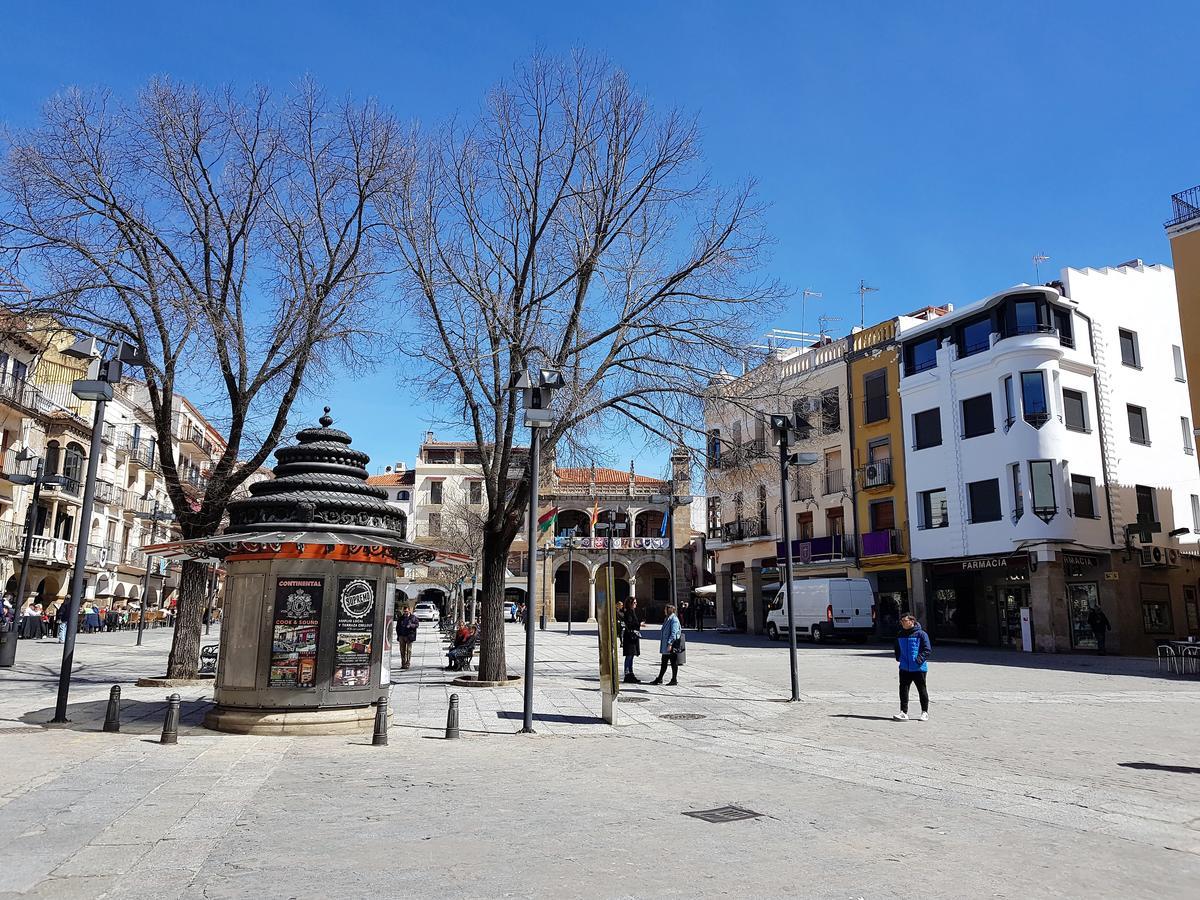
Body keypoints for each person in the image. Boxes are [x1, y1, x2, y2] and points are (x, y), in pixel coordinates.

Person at [893, 613, 931, 721]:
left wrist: (918, 660)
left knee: (922, 689)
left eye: (904, 620)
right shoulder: (900, 634)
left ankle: (924, 712)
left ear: (912, 621)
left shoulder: (921, 634)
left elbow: (927, 650)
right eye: (901, 621)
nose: (903, 623)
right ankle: (903, 712)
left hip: (919, 668)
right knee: (903, 690)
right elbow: (897, 647)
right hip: (904, 667)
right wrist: (899, 657)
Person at [651, 603, 682, 686]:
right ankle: (660, 678)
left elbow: (674, 633)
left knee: (673, 662)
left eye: (665, 609)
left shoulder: (674, 619)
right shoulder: (667, 619)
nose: (664, 611)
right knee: (664, 662)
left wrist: (670, 643)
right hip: (666, 645)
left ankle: (673, 679)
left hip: (671, 645)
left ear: (669, 610)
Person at [622, 598, 642, 683]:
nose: (636, 604)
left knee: (631, 656)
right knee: (629, 656)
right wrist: (639, 624)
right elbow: (630, 624)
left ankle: (630, 673)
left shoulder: (632, 611)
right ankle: (627, 674)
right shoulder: (629, 612)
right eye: (634, 602)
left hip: (632, 638)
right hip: (630, 638)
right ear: (630, 603)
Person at [396, 605, 420, 670]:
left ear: (409, 610)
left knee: (408, 650)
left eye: (406, 611)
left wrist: (411, 625)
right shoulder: (400, 618)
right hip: (402, 636)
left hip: (409, 636)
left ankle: (408, 663)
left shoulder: (413, 617)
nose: (405, 613)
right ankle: (403, 664)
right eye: (404, 611)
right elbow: (397, 627)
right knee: (402, 650)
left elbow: (417, 624)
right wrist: (398, 635)